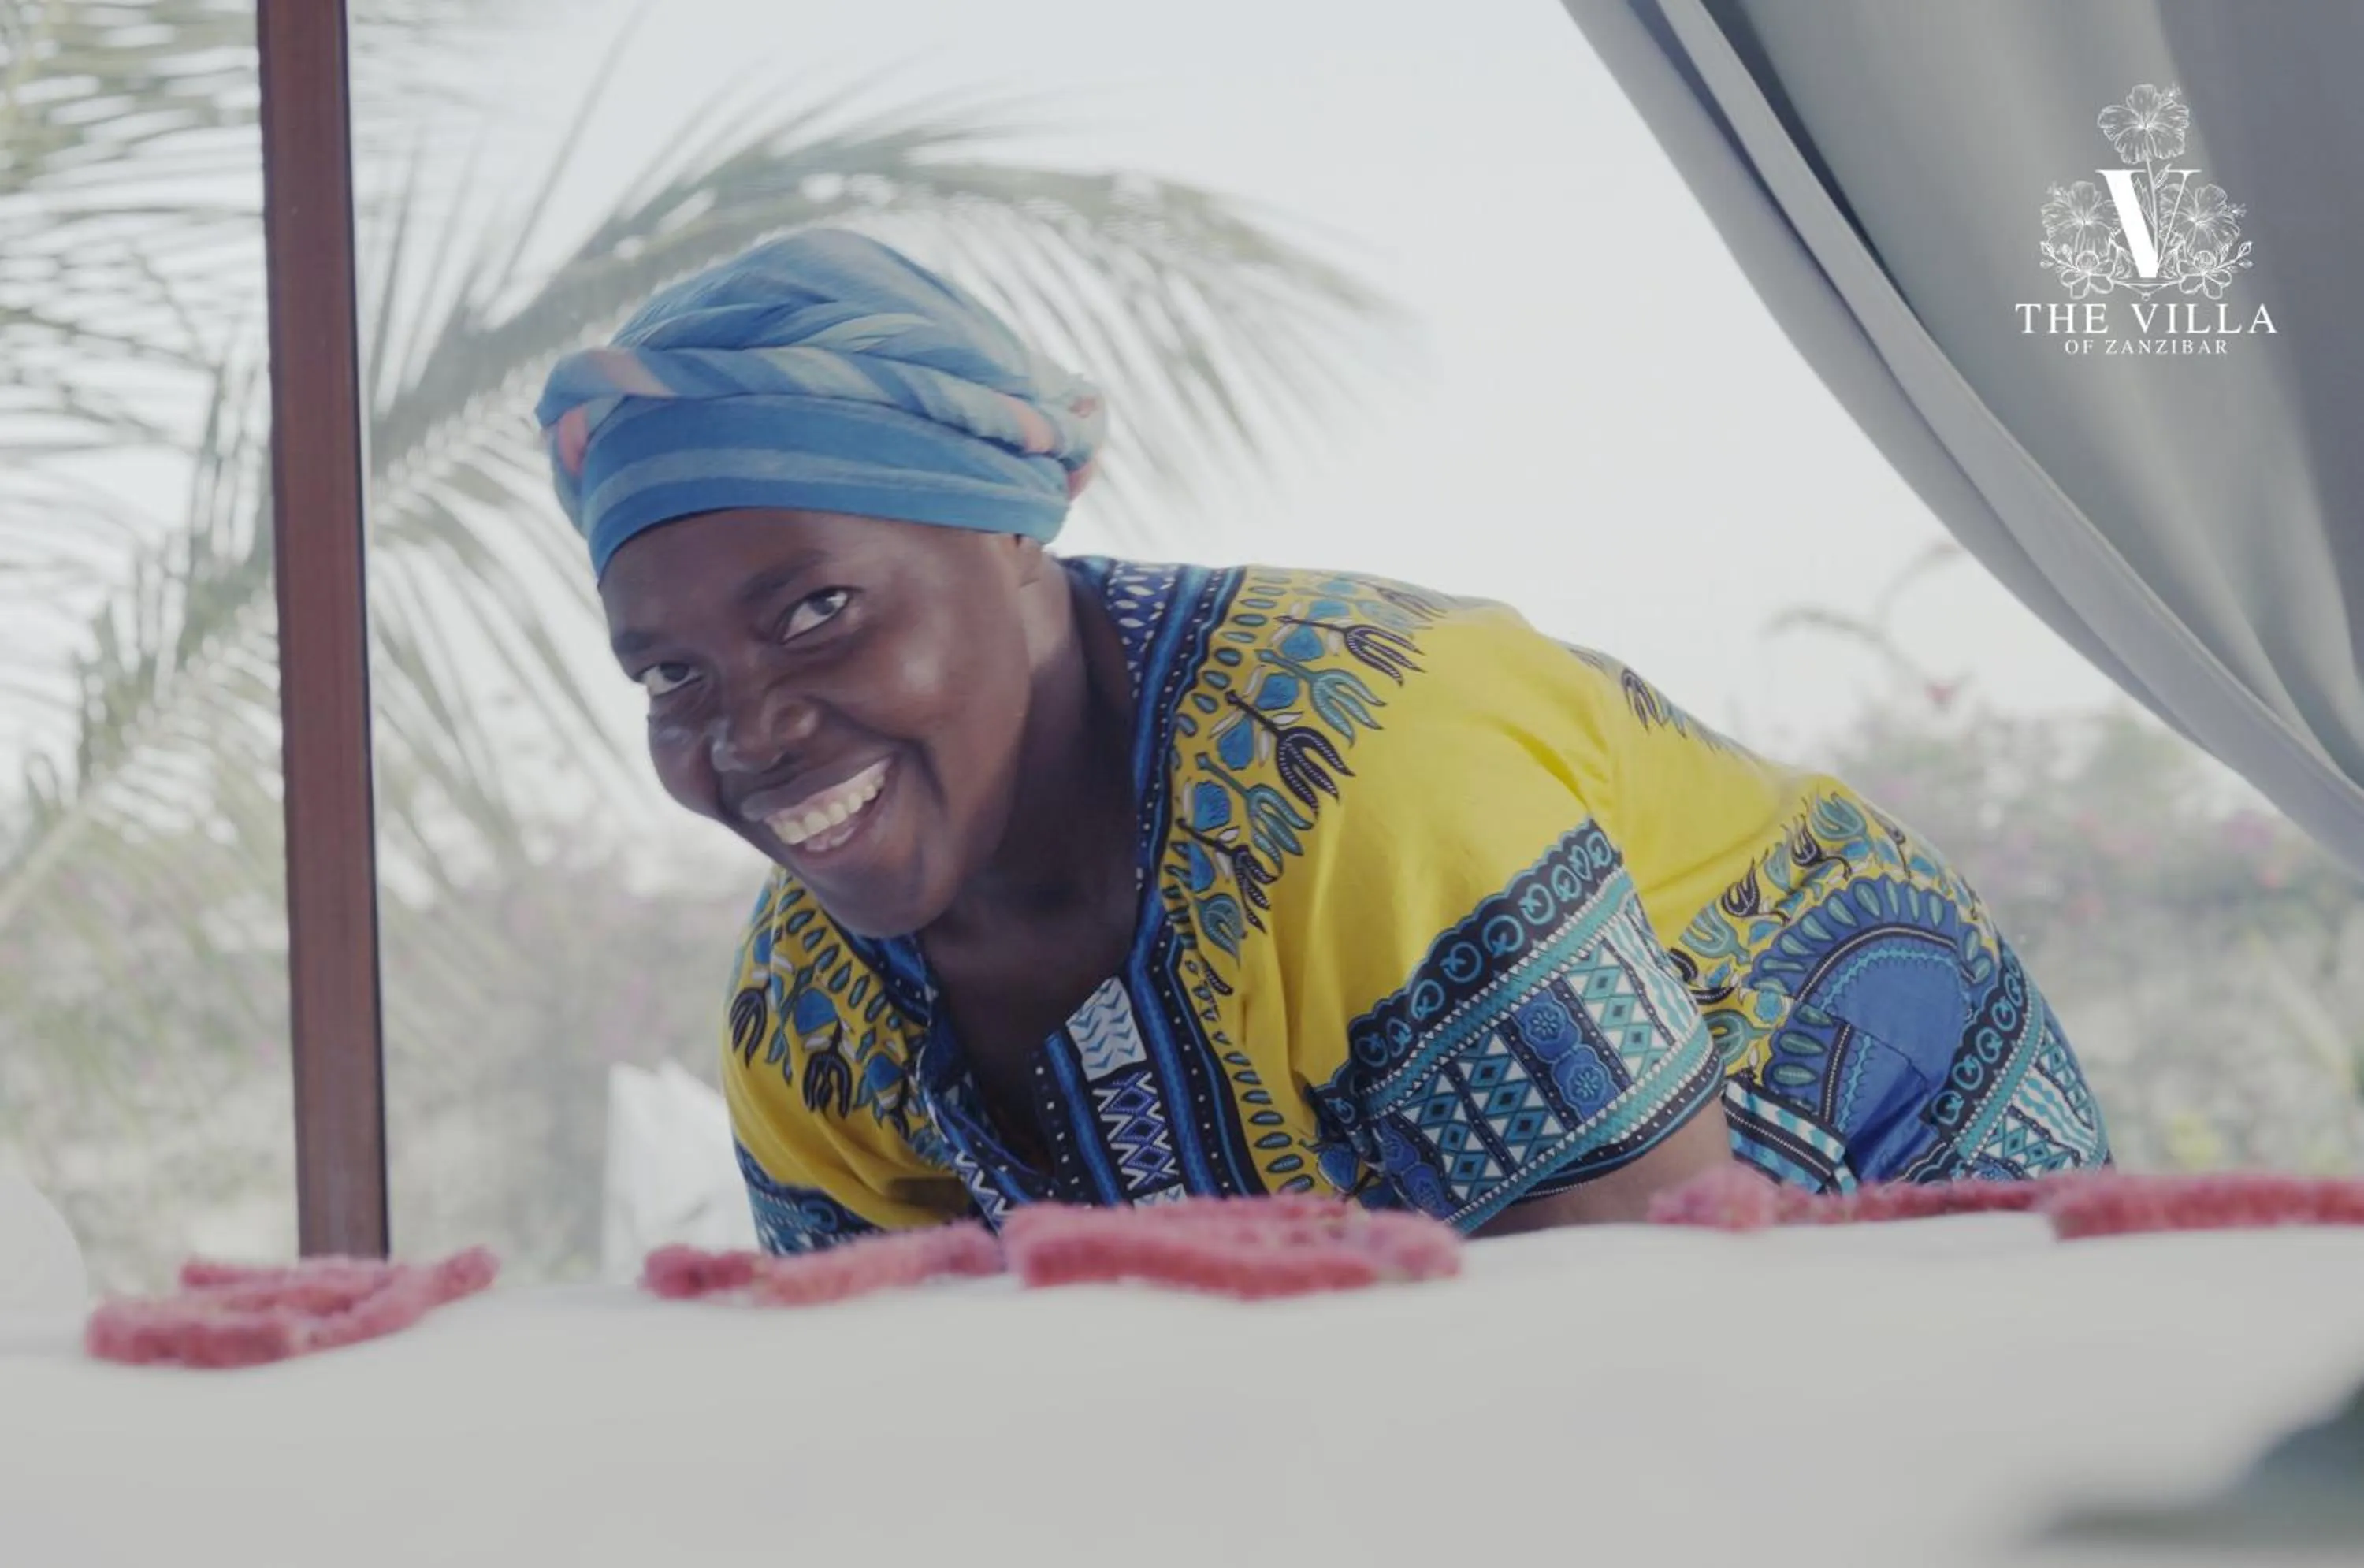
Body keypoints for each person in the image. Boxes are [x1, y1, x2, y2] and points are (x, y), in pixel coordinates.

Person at [536, 229, 2109, 1254]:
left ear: (1013, 538)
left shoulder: (1366, 767)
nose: (750, 728)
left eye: (816, 610)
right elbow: (875, 1416)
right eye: (670, 673)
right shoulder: (808, 1011)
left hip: (1895, 1203)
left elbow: (1651, 1325)